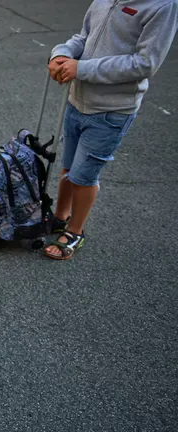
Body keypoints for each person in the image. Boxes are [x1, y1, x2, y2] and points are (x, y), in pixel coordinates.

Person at [45, 0, 178, 260]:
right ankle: (60, 217)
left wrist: (81, 69)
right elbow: (83, 37)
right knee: (69, 165)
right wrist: (60, 54)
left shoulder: (163, 6)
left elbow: (145, 63)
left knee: (84, 174)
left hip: (112, 110)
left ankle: (75, 231)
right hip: (77, 100)